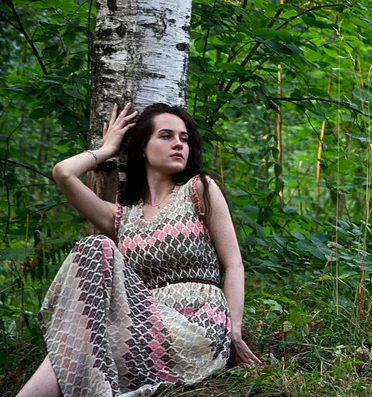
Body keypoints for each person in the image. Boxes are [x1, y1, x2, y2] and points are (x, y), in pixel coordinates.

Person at [17, 103, 260, 397]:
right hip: (140, 324)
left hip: (196, 325)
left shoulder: (199, 189)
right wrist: (108, 148)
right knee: (95, 251)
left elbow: (234, 264)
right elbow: (63, 173)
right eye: (166, 136)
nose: (178, 145)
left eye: (184, 139)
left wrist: (234, 332)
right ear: (143, 148)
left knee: (85, 338)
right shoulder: (122, 217)